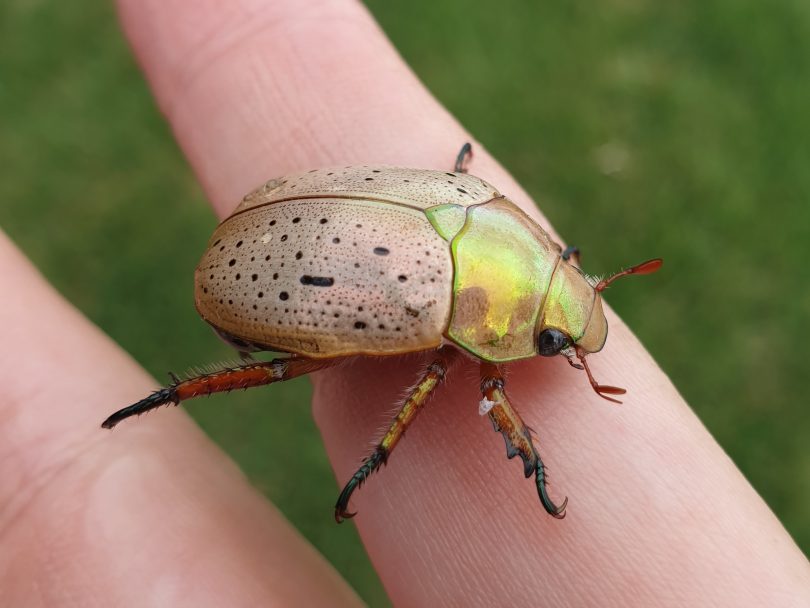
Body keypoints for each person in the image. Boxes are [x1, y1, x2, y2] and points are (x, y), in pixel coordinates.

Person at [1, 1, 807, 605]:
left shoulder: (476, 199)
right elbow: (444, 392)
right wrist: (395, 455)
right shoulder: (453, 322)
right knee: (304, 368)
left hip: (297, 209)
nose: (565, 338)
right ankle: (178, 393)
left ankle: (173, 394)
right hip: (261, 272)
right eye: (557, 332)